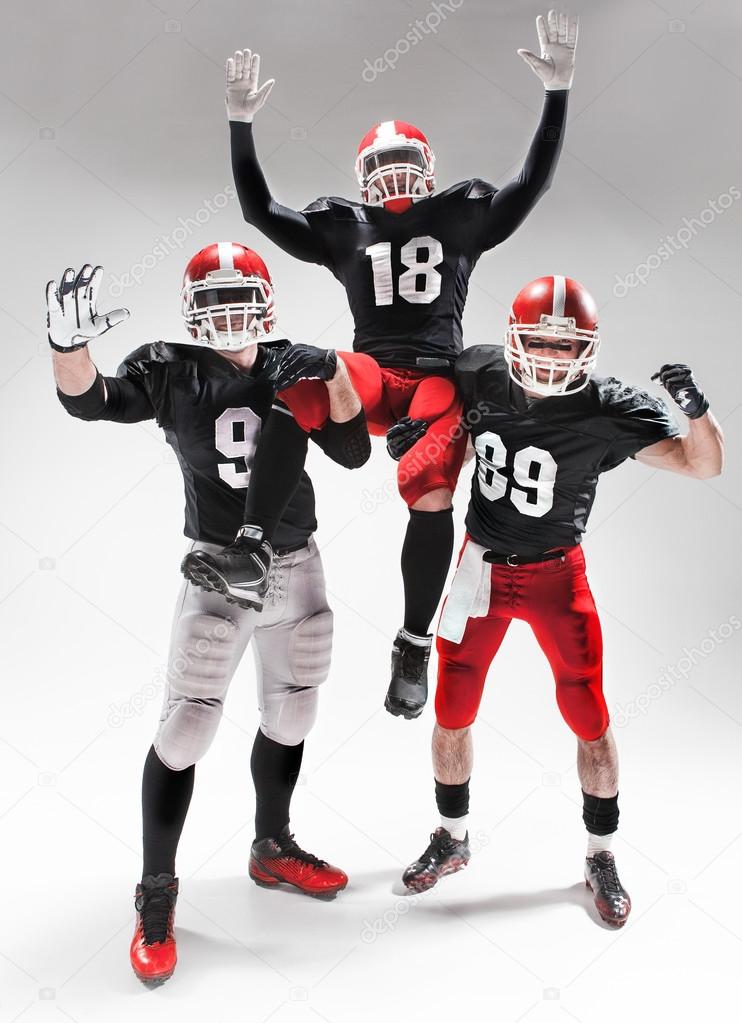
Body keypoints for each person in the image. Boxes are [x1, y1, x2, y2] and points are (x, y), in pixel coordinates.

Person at [181, 10, 579, 720]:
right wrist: (239, 125)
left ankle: (413, 641)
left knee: (426, 484)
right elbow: (258, 210)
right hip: (365, 378)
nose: (394, 177)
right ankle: (251, 547)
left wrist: (559, 94)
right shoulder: (344, 228)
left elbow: (530, 184)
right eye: (382, 166)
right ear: (362, 177)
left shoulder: (462, 215)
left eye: (405, 164)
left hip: (436, 379)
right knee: (299, 379)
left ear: (430, 172)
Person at [48, 244, 370, 985]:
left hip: (297, 561)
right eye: (214, 299)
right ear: (192, 308)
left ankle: (272, 846)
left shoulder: (292, 361)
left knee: (293, 716)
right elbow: (92, 400)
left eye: (239, 297)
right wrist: (70, 346)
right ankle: (155, 893)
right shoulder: (172, 367)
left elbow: (353, 449)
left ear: (267, 301)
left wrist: (335, 371)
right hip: (217, 568)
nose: (227, 314)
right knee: (187, 727)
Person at [398, 275, 724, 927]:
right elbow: (411, 385)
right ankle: (452, 835)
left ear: (588, 349)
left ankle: (600, 854)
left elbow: (702, 463)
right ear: (513, 341)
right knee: (452, 707)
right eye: (538, 343)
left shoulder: (605, 406)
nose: (549, 357)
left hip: (556, 575)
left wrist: (697, 410)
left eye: (563, 344)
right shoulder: (480, 372)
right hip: (481, 567)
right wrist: (415, 433)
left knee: (589, 715)